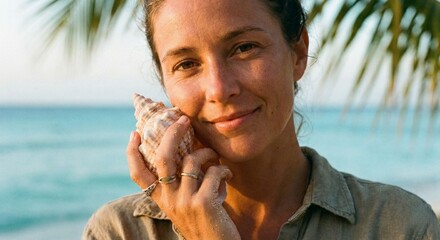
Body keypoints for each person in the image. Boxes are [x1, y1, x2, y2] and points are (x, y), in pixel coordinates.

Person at [82, 0, 440, 239]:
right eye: (187, 64)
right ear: (166, 84)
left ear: (298, 53)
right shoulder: (120, 231)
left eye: (244, 48)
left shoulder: (397, 225)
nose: (219, 88)